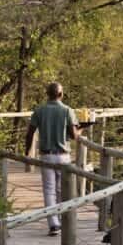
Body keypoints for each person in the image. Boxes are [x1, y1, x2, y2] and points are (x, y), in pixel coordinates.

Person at [25, 81, 81, 236]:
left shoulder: (39, 110)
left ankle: (54, 225)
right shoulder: (67, 110)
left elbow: (30, 133)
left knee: (49, 191)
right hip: (63, 157)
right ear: (61, 94)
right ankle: (65, 221)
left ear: (47, 94)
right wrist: (81, 129)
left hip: (47, 156)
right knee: (63, 190)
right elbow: (73, 135)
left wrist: (27, 151)